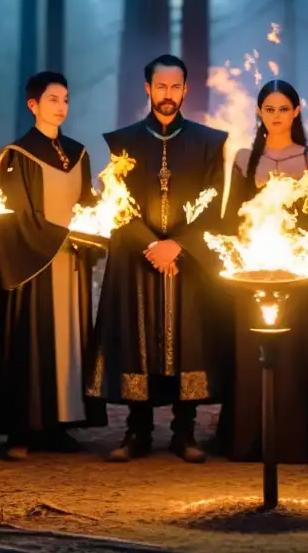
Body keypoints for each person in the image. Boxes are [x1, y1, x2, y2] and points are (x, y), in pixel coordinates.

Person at [86, 54, 228, 462]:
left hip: (190, 261)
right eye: (160, 87)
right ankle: (138, 432)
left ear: (186, 89)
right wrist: (151, 244)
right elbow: (116, 201)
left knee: (190, 338)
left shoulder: (209, 142)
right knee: (138, 338)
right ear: (147, 88)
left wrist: (178, 245)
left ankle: (185, 432)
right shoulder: (122, 142)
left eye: (176, 86)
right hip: (137, 258)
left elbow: (215, 203)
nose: (168, 95)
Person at [216, 79, 308, 463]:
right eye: (269, 109)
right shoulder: (245, 158)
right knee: (255, 354)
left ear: (296, 112)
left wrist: (298, 253)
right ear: (259, 114)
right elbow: (233, 217)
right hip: (256, 271)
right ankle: (252, 438)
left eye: (283, 109)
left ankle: (305, 437)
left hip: (299, 270)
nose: (276, 116)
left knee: (302, 349)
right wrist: (240, 256)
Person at [0, 72, 106, 460]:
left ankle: (59, 424)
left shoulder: (79, 153)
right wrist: (60, 236)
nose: (61, 107)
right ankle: (22, 430)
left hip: (71, 263)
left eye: (66, 100)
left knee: (70, 341)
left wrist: (92, 232)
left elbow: (89, 203)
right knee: (32, 340)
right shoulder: (17, 154)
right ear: (33, 105)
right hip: (35, 264)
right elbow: (16, 215)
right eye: (53, 99)